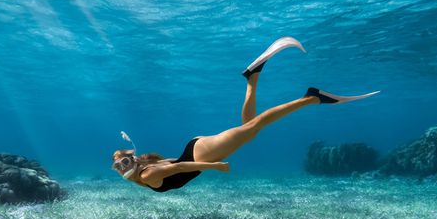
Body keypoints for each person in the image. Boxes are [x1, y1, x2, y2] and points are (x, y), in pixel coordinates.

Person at [112, 37, 380, 192]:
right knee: (250, 127)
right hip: (196, 148)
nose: (121, 168)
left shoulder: (145, 176)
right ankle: (252, 79)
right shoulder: (144, 170)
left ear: (132, 162)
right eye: (119, 166)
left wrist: (213, 167)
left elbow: (179, 167)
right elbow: (173, 164)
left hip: (201, 155)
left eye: (122, 163)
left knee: (254, 127)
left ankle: (311, 98)